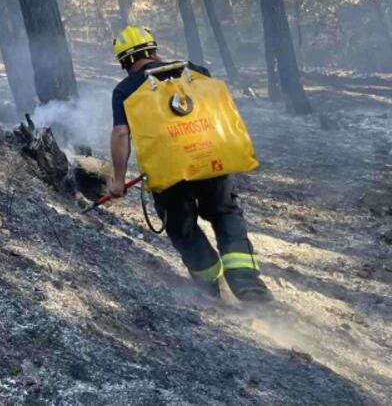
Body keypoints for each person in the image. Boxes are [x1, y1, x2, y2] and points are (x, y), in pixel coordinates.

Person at [108, 26, 272, 303]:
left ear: (125, 61)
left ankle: (209, 290)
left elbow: (122, 133)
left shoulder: (125, 89)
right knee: (225, 214)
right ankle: (247, 284)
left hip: (169, 173)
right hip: (211, 161)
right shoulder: (195, 72)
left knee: (183, 228)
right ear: (153, 50)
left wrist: (118, 180)